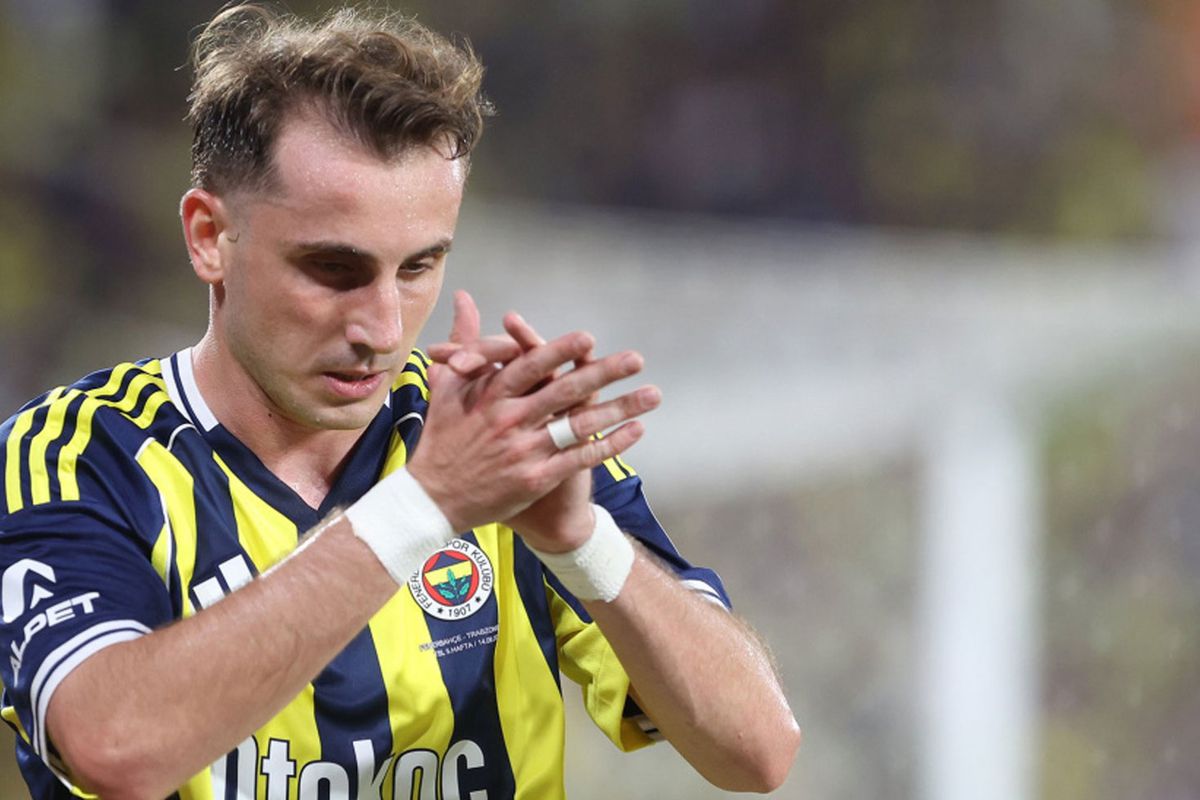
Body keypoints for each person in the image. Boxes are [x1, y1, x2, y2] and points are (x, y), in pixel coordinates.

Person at [0, 5, 800, 798]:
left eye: (418, 267)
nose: (382, 329)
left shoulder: (497, 438)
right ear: (210, 236)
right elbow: (113, 746)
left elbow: (758, 753)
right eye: (334, 270)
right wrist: (427, 504)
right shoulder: (75, 457)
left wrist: (581, 540)